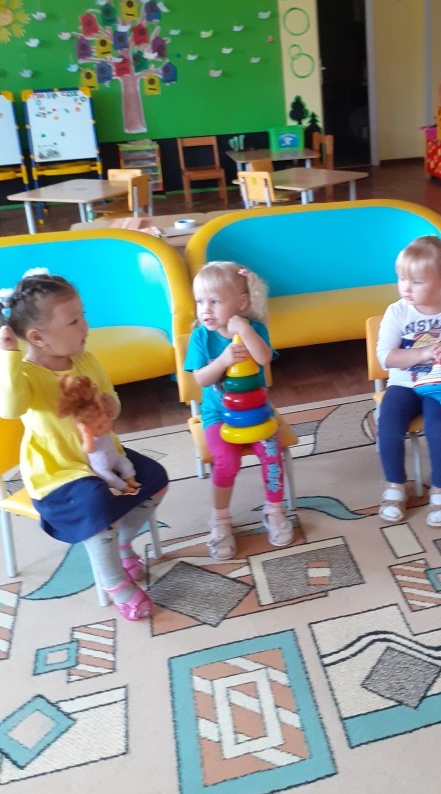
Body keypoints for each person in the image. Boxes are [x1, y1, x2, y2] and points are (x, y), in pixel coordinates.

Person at [0, 271, 168, 622]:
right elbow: (10, 407)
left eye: (83, 315)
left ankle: (121, 544)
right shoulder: (26, 374)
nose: (85, 325)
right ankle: (113, 581)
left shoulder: (86, 360)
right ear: (38, 338)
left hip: (102, 456)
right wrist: (9, 355)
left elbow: (112, 400)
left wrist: (110, 407)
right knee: (97, 505)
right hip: (57, 474)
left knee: (156, 478)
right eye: (74, 320)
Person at [184, 261, 292, 559]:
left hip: (257, 413)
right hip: (217, 416)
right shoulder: (200, 337)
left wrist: (243, 329)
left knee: (272, 453)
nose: (205, 310)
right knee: (226, 461)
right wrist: (223, 361)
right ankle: (219, 520)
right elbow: (201, 379)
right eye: (200, 302)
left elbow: (264, 358)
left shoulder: (254, 329)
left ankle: (274, 510)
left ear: (241, 303)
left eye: (215, 302)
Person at [376, 235, 441, 527]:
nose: (406, 288)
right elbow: (385, 357)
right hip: (403, 385)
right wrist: (422, 353)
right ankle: (395, 486)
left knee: (439, 429)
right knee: (388, 426)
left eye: (416, 281)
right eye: (402, 279)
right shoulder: (397, 312)